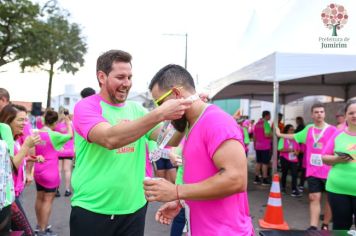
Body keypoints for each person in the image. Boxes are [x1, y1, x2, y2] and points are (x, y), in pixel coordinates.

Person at [70, 50, 192, 236]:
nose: (126, 83)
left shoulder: (137, 109)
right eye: (120, 77)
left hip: (134, 209)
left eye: (129, 77)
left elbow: (168, 139)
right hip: (92, 209)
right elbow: (109, 139)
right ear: (101, 77)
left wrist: (184, 111)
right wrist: (159, 113)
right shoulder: (86, 107)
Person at [144, 64, 253, 236]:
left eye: (160, 103)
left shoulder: (216, 122)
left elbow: (236, 179)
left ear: (177, 94)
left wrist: (176, 191)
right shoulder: (192, 125)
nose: (160, 112)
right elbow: (203, 177)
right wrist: (181, 201)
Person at [276, 103, 337, 230]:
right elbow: (295, 136)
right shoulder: (309, 129)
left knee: (330, 199)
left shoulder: (332, 130)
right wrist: (280, 134)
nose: (319, 114)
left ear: (324, 114)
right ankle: (313, 226)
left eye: (321, 111)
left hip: (329, 171)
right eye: (316, 112)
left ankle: (325, 224)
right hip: (313, 170)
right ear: (312, 115)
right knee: (314, 197)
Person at [0, 104, 42, 236]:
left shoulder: (15, 139)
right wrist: (26, 146)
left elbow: (15, 159)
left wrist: (31, 158)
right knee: (27, 232)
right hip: (8, 198)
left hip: (15, 193)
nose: (24, 123)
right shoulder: (5, 141)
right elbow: (11, 167)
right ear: (8, 120)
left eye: (26, 119)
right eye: (20, 120)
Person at [34, 110, 72, 236]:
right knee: (48, 201)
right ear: (55, 122)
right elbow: (70, 135)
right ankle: (43, 231)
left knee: (39, 198)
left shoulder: (37, 133)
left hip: (38, 169)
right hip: (50, 171)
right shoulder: (54, 135)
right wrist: (67, 123)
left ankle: (39, 226)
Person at [322, 99, 356, 230]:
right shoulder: (338, 134)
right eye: (351, 113)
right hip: (338, 189)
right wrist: (337, 160)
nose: (354, 116)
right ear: (346, 115)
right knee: (341, 227)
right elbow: (324, 157)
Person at [54, 109, 74, 197]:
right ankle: (67, 190)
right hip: (69, 150)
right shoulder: (72, 125)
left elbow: (54, 138)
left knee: (58, 170)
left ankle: (57, 190)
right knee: (67, 170)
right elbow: (75, 137)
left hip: (59, 150)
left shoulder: (57, 125)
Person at [278, 124, 301, 197]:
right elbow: (280, 149)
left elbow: (298, 150)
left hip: (293, 159)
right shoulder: (283, 138)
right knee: (284, 173)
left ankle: (294, 189)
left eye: (293, 129)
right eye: (291, 129)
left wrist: (296, 153)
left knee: (294, 174)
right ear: (287, 130)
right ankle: (283, 187)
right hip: (284, 158)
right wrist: (290, 150)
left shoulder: (295, 138)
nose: (292, 131)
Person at [253, 110, 272, 185]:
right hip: (265, 146)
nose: (270, 117)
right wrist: (273, 134)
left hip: (258, 146)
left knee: (258, 162)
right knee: (265, 163)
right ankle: (264, 179)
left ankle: (256, 178)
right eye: (269, 115)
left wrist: (255, 145)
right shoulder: (266, 123)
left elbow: (254, 136)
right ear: (266, 115)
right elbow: (267, 135)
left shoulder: (257, 123)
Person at [295, 116, 306, 191]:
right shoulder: (303, 127)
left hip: (304, 157)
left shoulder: (300, 127)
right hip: (307, 158)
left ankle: (301, 185)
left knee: (303, 169)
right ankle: (301, 184)